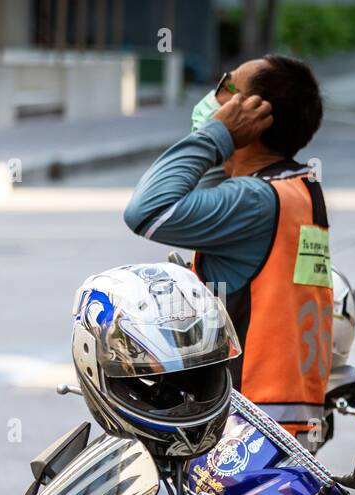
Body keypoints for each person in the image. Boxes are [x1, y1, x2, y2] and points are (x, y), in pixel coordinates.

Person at [124, 54, 332, 449]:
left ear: (253, 115)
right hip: (283, 425)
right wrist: (224, 148)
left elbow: (147, 211)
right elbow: (202, 193)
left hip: (246, 430)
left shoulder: (255, 200)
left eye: (227, 88)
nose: (214, 98)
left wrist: (216, 136)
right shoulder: (296, 189)